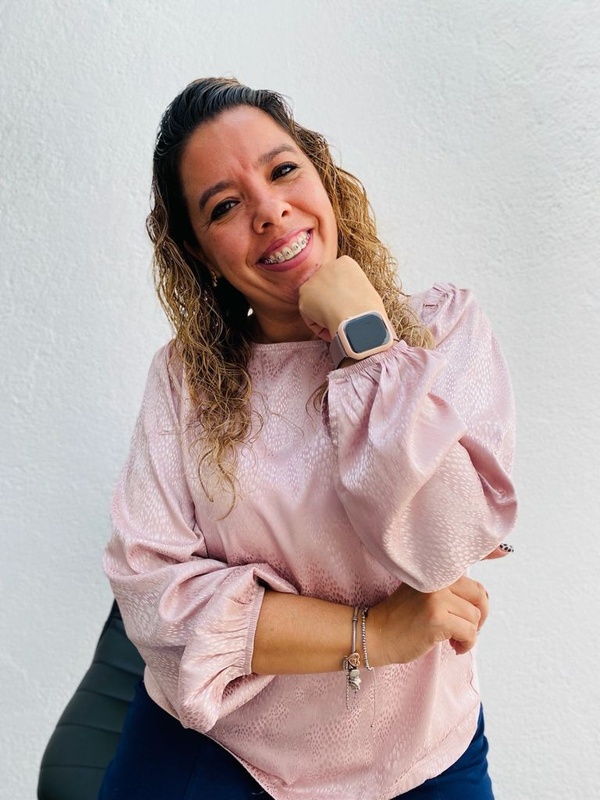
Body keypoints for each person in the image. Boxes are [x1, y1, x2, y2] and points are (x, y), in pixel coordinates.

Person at [100, 77, 517, 800]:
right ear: (200, 253)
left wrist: (367, 341)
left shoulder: (444, 330)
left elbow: (441, 544)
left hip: (419, 755)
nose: (269, 210)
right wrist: (372, 633)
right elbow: (154, 595)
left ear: (323, 176)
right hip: (222, 749)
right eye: (224, 206)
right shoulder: (183, 382)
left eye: (283, 169)